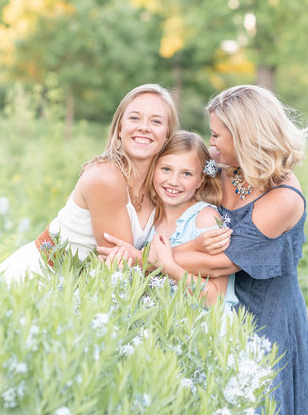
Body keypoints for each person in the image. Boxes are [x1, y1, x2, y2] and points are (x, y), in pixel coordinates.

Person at [153, 85, 308, 415]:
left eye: (217, 135)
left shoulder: (282, 196)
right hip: (210, 302)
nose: (211, 145)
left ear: (246, 137)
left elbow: (222, 262)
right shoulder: (222, 169)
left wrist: (158, 256)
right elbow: (171, 181)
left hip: (265, 314)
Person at [0, 83, 180, 284]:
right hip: (38, 281)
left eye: (156, 121)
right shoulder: (105, 177)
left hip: (82, 293)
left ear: (167, 136)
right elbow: (121, 265)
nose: (144, 127)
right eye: (134, 118)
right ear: (119, 129)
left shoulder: (163, 186)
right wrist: (169, 264)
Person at [99, 130, 234, 308]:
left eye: (186, 174)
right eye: (166, 169)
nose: (173, 181)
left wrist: (168, 267)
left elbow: (215, 299)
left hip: (199, 323)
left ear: (201, 180)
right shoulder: (149, 214)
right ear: (153, 168)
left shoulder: (205, 219)